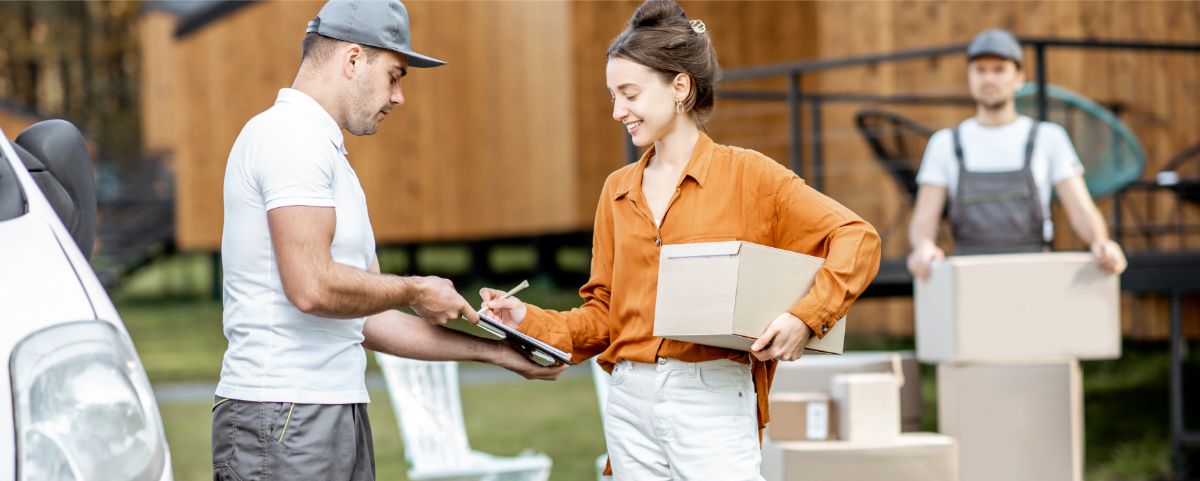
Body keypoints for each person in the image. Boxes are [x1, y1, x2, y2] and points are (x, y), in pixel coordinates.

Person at [481, 1, 881, 479]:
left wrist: (805, 317)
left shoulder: (749, 176)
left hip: (712, 397)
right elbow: (605, 314)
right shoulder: (617, 189)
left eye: (629, 94)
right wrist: (529, 319)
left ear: (680, 87)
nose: (617, 111)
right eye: (612, 96)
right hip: (628, 400)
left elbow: (857, 237)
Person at [211, 2, 565, 480]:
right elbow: (311, 287)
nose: (398, 97)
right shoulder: (286, 137)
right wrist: (417, 290)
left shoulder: (329, 153)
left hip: (335, 408)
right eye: (394, 76)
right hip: (282, 413)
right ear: (352, 60)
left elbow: (370, 318)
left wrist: (495, 351)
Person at [907, 28, 1127, 278]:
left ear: (1019, 77)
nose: (989, 79)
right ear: (969, 77)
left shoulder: (1048, 138)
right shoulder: (944, 143)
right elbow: (924, 218)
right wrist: (923, 246)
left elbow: (1081, 210)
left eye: (999, 69)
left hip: (1033, 275)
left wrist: (1100, 242)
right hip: (967, 278)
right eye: (980, 70)